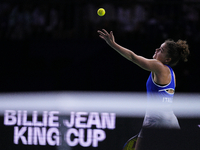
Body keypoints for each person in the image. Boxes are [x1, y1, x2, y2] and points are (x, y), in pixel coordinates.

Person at [97, 29, 190, 150]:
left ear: (167, 59)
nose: (156, 50)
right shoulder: (172, 74)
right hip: (170, 121)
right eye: (158, 47)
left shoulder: (159, 67)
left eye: (161, 50)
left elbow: (132, 57)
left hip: (155, 120)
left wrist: (113, 44)